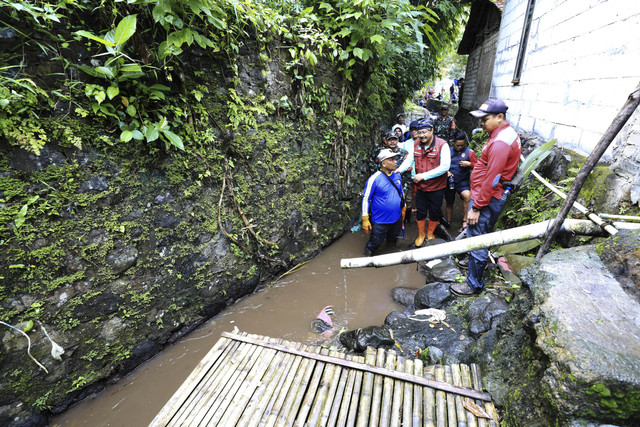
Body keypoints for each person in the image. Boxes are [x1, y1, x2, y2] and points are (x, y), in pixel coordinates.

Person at [450, 99, 522, 296]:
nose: (481, 123)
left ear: (500, 117)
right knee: (481, 233)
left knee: (477, 237)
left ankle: (473, 284)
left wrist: (476, 207)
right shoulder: (503, 134)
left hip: (487, 197)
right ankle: (473, 264)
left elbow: (493, 178)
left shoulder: (500, 143)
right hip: (488, 194)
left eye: (485, 119)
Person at [410, 119, 451, 247]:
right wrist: (398, 170)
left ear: (432, 130)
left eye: (424, 132)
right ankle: (421, 235)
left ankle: (430, 233)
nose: (421, 135)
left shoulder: (442, 145)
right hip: (421, 188)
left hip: (437, 187)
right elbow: (410, 159)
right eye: (419, 132)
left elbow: (445, 167)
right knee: (421, 211)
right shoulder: (416, 143)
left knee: (434, 211)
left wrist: (423, 176)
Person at [362, 149, 405, 256]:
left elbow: (401, 191)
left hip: (396, 217)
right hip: (380, 221)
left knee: (393, 241)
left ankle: (391, 257)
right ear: (383, 163)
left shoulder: (397, 175)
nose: (395, 162)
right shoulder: (374, 179)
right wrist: (365, 218)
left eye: (395, 159)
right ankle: (367, 261)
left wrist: (403, 206)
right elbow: (366, 199)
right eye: (391, 160)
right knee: (374, 244)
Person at [443, 131, 477, 229]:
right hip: (450, 181)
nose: (459, 147)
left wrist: (469, 164)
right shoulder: (448, 151)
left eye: (462, 145)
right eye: (457, 145)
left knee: (467, 197)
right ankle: (448, 221)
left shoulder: (470, 152)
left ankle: (465, 220)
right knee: (449, 201)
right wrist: (446, 172)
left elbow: (479, 167)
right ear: (453, 142)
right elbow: (440, 165)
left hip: (463, 181)